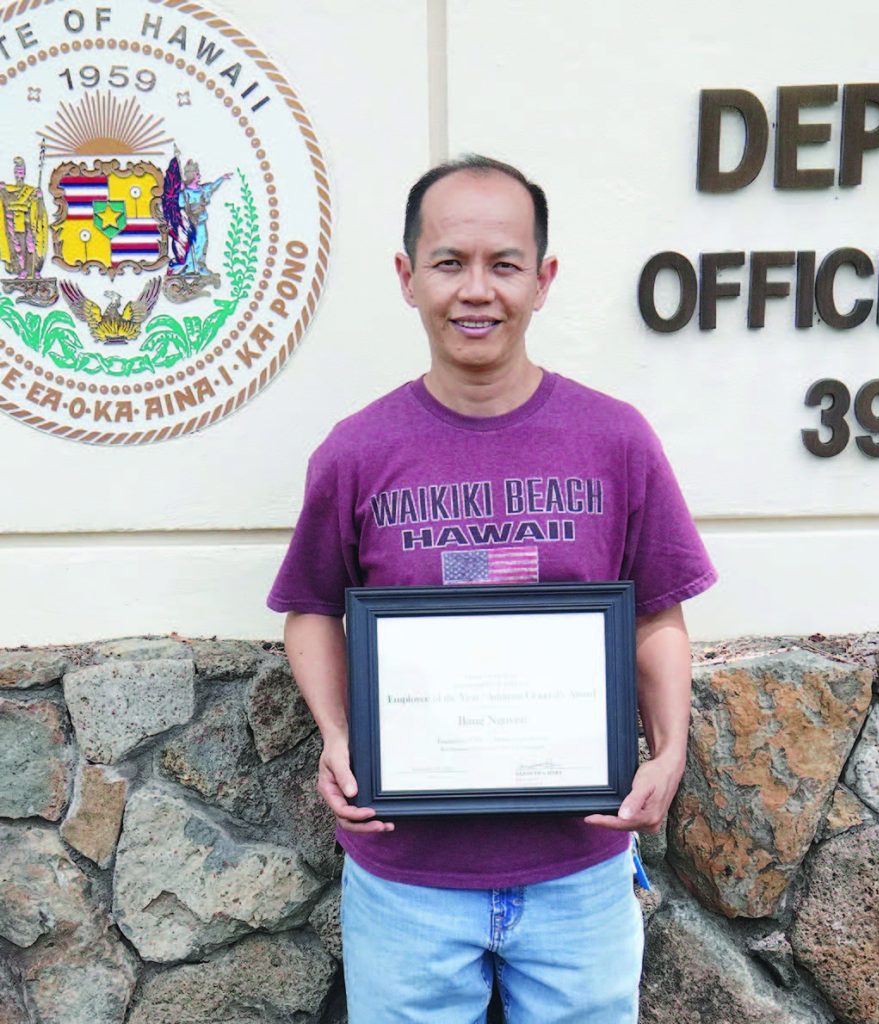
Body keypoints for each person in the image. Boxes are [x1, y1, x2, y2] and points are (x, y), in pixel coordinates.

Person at [268, 155, 716, 1023]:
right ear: (407, 277)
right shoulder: (357, 452)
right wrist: (335, 735)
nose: (477, 290)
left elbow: (657, 611)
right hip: (407, 884)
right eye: (449, 263)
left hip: (578, 875)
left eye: (504, 265)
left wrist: (668, 749)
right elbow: (313, 608)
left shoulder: (614, 440)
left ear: (542, 280)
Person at [0, 156, 47, 279]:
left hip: (29, 222)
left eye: (21, 171)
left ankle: (34, 269)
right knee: (18, 247)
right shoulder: (9, 189)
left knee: (33, 246)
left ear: (24, 173)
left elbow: (38, 209)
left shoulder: (30, 190)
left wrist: (39, 197)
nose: (19, 174)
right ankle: (21, 270)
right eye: (17, 171)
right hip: (16, 223)